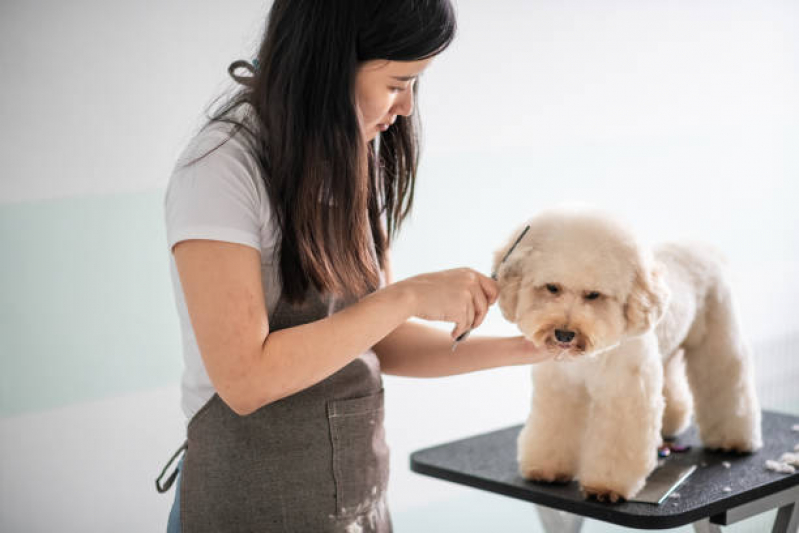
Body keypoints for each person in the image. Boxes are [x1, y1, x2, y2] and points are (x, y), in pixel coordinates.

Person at [156, 1, 552, 531]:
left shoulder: (354, 154)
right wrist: (406, 296)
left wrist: (534, 348)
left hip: (354, 509)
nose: (407, 107)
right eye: (397, 83)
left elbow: (375, 342)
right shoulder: (222, 168)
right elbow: (245, 379)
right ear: (327, 63)